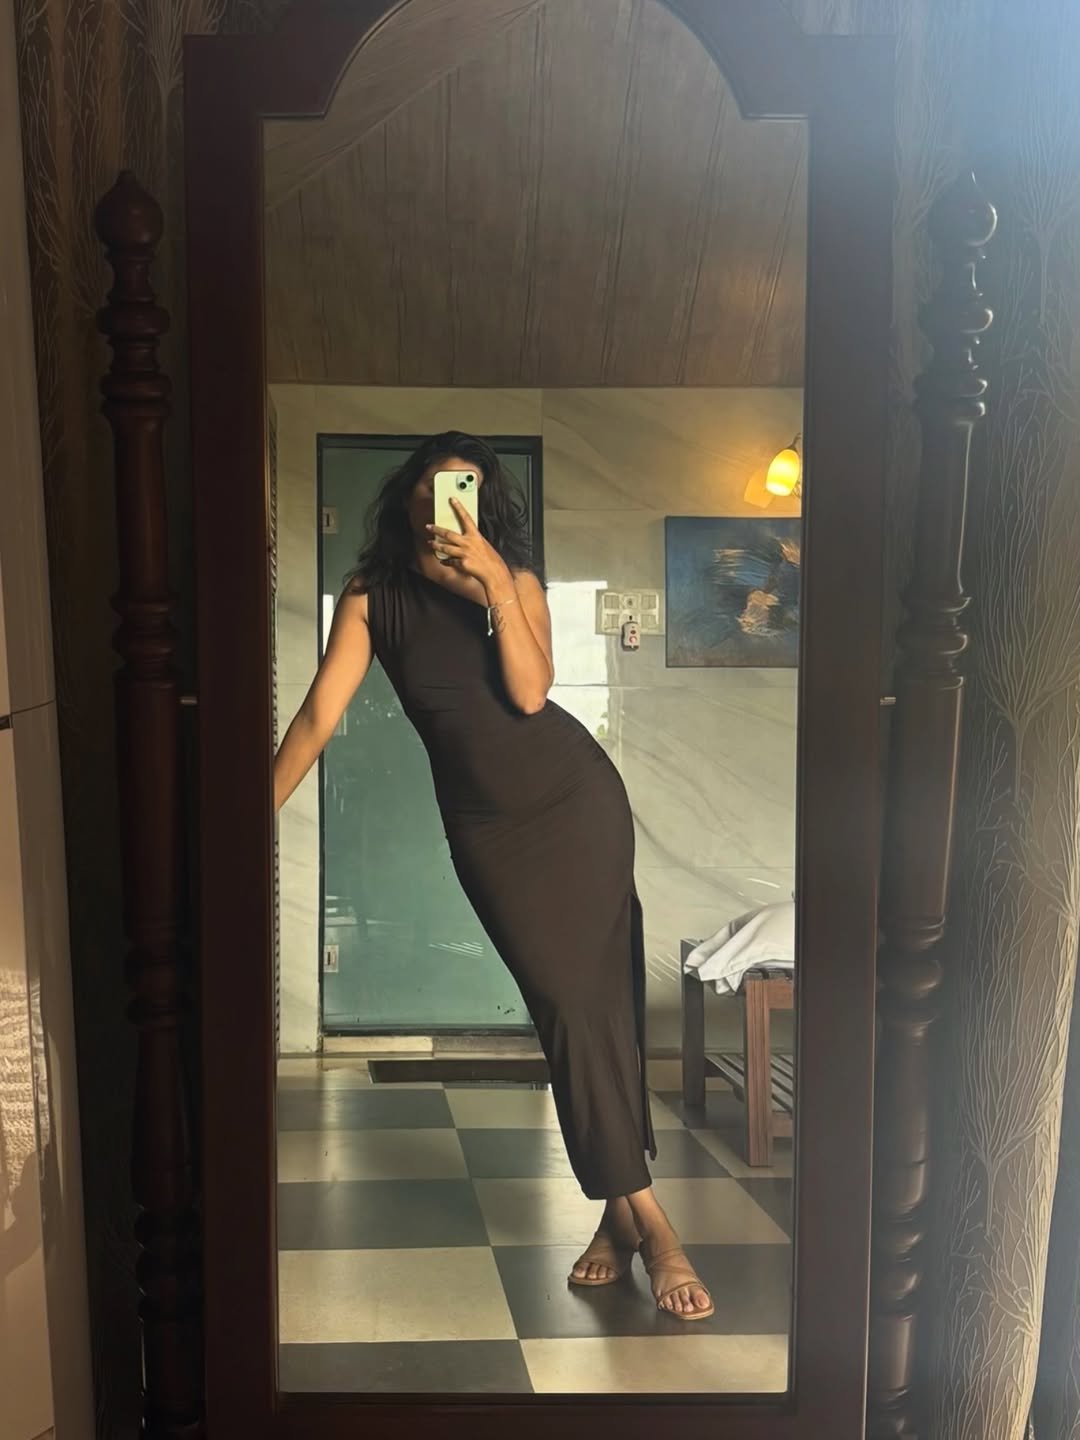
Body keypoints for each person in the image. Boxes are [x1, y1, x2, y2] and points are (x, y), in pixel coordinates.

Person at [274, 431, 713, 1320]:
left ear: (483, 506)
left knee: (592, 1008)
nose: (450, 505)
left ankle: (649, 1226)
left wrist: (493, 585)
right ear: (408, 499)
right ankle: (624, 1219)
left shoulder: (514, 582)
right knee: (566, 1005)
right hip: (488, 833)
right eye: (436, 488)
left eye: (466, 491)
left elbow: (529, 692)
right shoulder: (370, 597)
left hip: (576, 805)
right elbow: (319, 715)